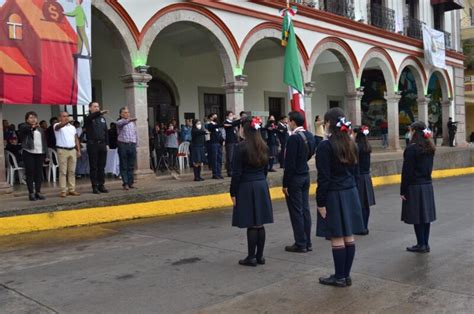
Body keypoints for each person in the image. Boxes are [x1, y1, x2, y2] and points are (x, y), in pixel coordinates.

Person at [316, 107, 365, 287]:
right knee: (348, 235)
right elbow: (356, 174)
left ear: (328, 123)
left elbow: (324, 177)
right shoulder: (352, 144)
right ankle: (346, 275)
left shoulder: (325, 146)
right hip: (350, 191)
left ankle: (339, 277)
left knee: (337, 236)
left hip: (334, 194)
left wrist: (320, 202)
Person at [231, 117, 273, 266]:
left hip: (247, 185)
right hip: (261, 184)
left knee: (251, 222)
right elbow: (266, 168)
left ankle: (251, 257)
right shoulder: (264, 146)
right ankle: (260, 256)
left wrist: (233, 192)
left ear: (245, 130)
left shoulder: (240, 147)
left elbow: (236, 173)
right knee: (260, 223)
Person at [401, 121, 436, 253]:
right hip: (427, 185)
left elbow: (407, 172)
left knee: (417, 217)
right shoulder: (430, 147)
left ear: (414, 131)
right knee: (425, 217)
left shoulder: (411, 149)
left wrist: (403, 190)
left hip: (415, 186)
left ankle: (420, 243)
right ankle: (425, 243)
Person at [283, 111, 316, 253]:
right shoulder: (310, 135)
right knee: (305, 209)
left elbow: (289, 164)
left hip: (295, 177)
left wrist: (285, 183)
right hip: (305, 174)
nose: (288, 124)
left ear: (293, 122)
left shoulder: (293, 138)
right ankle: (307, 241)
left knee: (296, 211)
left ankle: (300, 242)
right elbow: (310, 152)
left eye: (289, 121)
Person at [19, 111, 48, 201]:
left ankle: (38, 192)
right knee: (30, 173)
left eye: (34, 117)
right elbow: (25, 129)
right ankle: (31, 193)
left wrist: (45, 154)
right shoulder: (23, 126)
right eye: (31, 117)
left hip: (39, 153)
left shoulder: (40, 129)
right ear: (27, 119)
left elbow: (44, 142)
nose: (33, 119)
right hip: (29, 153)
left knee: (38, 173)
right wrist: (32, 127)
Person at [354, 126, 375, 235]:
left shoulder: (357, 147)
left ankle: (360, 227)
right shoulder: (367, 146)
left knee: (360, 204)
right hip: (366, 176)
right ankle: (365, 226)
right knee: (366, 204)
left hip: (359, 177)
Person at [54, 111, 81, 198]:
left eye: (67, 116)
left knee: (72, 171)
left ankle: (72, 189)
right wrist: (65, 123)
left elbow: (76, 139)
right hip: (62, 150)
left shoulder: (72, 127)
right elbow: (58, 127)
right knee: (63, 171)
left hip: (72, 150)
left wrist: (78, 150)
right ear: (60, 118)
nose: (66, 118)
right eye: (63, 116)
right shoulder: (57, 125)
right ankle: (63, 190)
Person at [84, 102, 109, 194]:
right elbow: (91, 117)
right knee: (94, 167)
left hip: (102, 144)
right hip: (93, 144)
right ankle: (94, 187)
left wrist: (107, 143)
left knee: (101, 166)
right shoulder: (88, 118)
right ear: (90, 108)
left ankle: (101, 185)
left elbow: (105, 131)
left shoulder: (102, 118)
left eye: (98, 106)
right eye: (94, 106)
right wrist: (100, 112)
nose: (97, 108)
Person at [116, 107, 138, 190]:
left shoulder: (132, 124)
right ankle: (125, 183)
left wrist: (136, 145)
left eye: (128, 112)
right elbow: (120, 124)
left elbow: (135, 135)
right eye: (125, 112)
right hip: (123, 145)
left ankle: (130, 182)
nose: (127, 114)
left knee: (131, 165)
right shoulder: (120, 122)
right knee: (124, 165)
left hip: (132, 145)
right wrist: (129, 120)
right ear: (120, 114)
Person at [207, 113, 224, 179]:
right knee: (215, 159)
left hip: (219, 143)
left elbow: (219, 133)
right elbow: (213, 127)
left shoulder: (217, 125)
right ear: (211, 118)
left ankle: (219, 173)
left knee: (219, 158)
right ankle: (215, 173)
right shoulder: (210, 125)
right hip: (213, 143)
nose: (216, 118)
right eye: (214, 117)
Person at [224, 111, 241, 177]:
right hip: (230, 141)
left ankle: (234, 170)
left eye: (232, 115)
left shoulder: (233, 123)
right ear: (227, 116)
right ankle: (229, 171)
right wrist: (239, 119)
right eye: (230, 115)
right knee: (230, 157)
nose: (232, 116)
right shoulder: (226, 122)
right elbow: (233, 124)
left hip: (235, 141)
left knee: (235, 157)